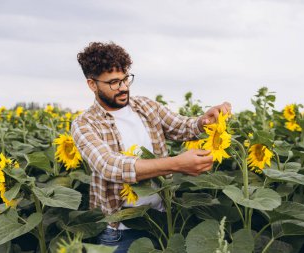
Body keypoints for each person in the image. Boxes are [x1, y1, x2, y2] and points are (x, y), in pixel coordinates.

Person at [71, 42, 231, 253]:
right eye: (114, 82)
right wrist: (176, 164)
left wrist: (204, 121)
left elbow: (182, 126)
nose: (124, 87)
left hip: (163, 220)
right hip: (120, 231)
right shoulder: (85, 123)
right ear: (92, 84)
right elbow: (111, 166)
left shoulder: (145, 106)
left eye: (126, 79)